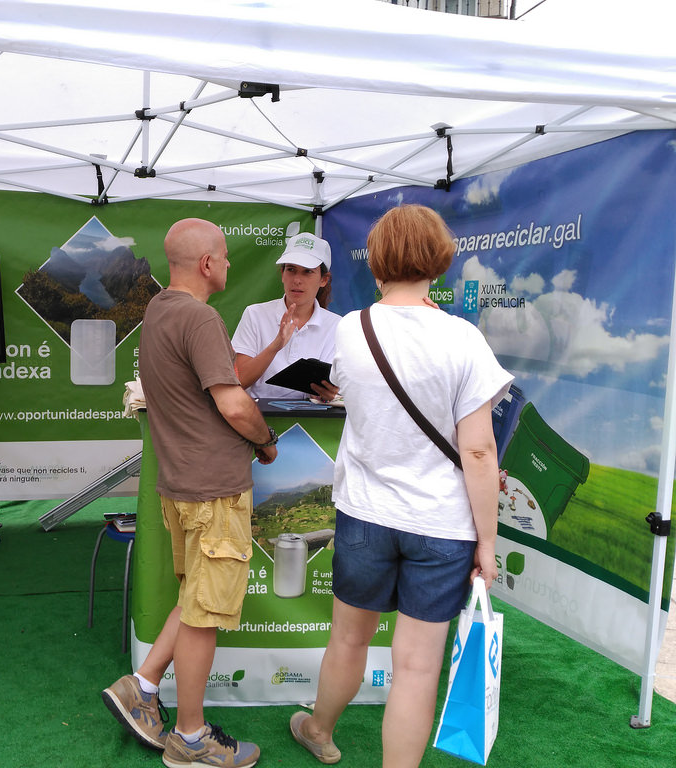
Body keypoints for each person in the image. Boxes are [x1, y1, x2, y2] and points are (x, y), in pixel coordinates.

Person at [288, 205, 512, 767]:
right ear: (439, 259)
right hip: (442, 524)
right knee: (415, 667)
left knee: (348, 638)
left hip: (365, 513)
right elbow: (480, 450)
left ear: (378, 258)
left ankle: (320, 729)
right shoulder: (464, 339)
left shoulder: (351, 328)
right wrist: (487, 543)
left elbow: (359, 396)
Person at [102, 218, 277, 768]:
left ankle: (143, 686)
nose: (227, 266)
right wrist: (266, 442)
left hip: (179, 484)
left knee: (193, 597)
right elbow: (233, 402)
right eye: (224, 258)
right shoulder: (200, 318)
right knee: (204, 614)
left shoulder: (157, 310)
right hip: (214, 490)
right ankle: (192, 738)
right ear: (206, 263)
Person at [231, 231, 341, 402]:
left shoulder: (336, 325)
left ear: (323, 280)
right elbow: (239, 380)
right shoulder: (255, 314)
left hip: (315, 423)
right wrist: (275, 346)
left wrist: (327, 394)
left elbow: (337, 390)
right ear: (282, 274)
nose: (297, 280)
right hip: (260, 418)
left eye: (307, 272)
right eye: (291, 269)